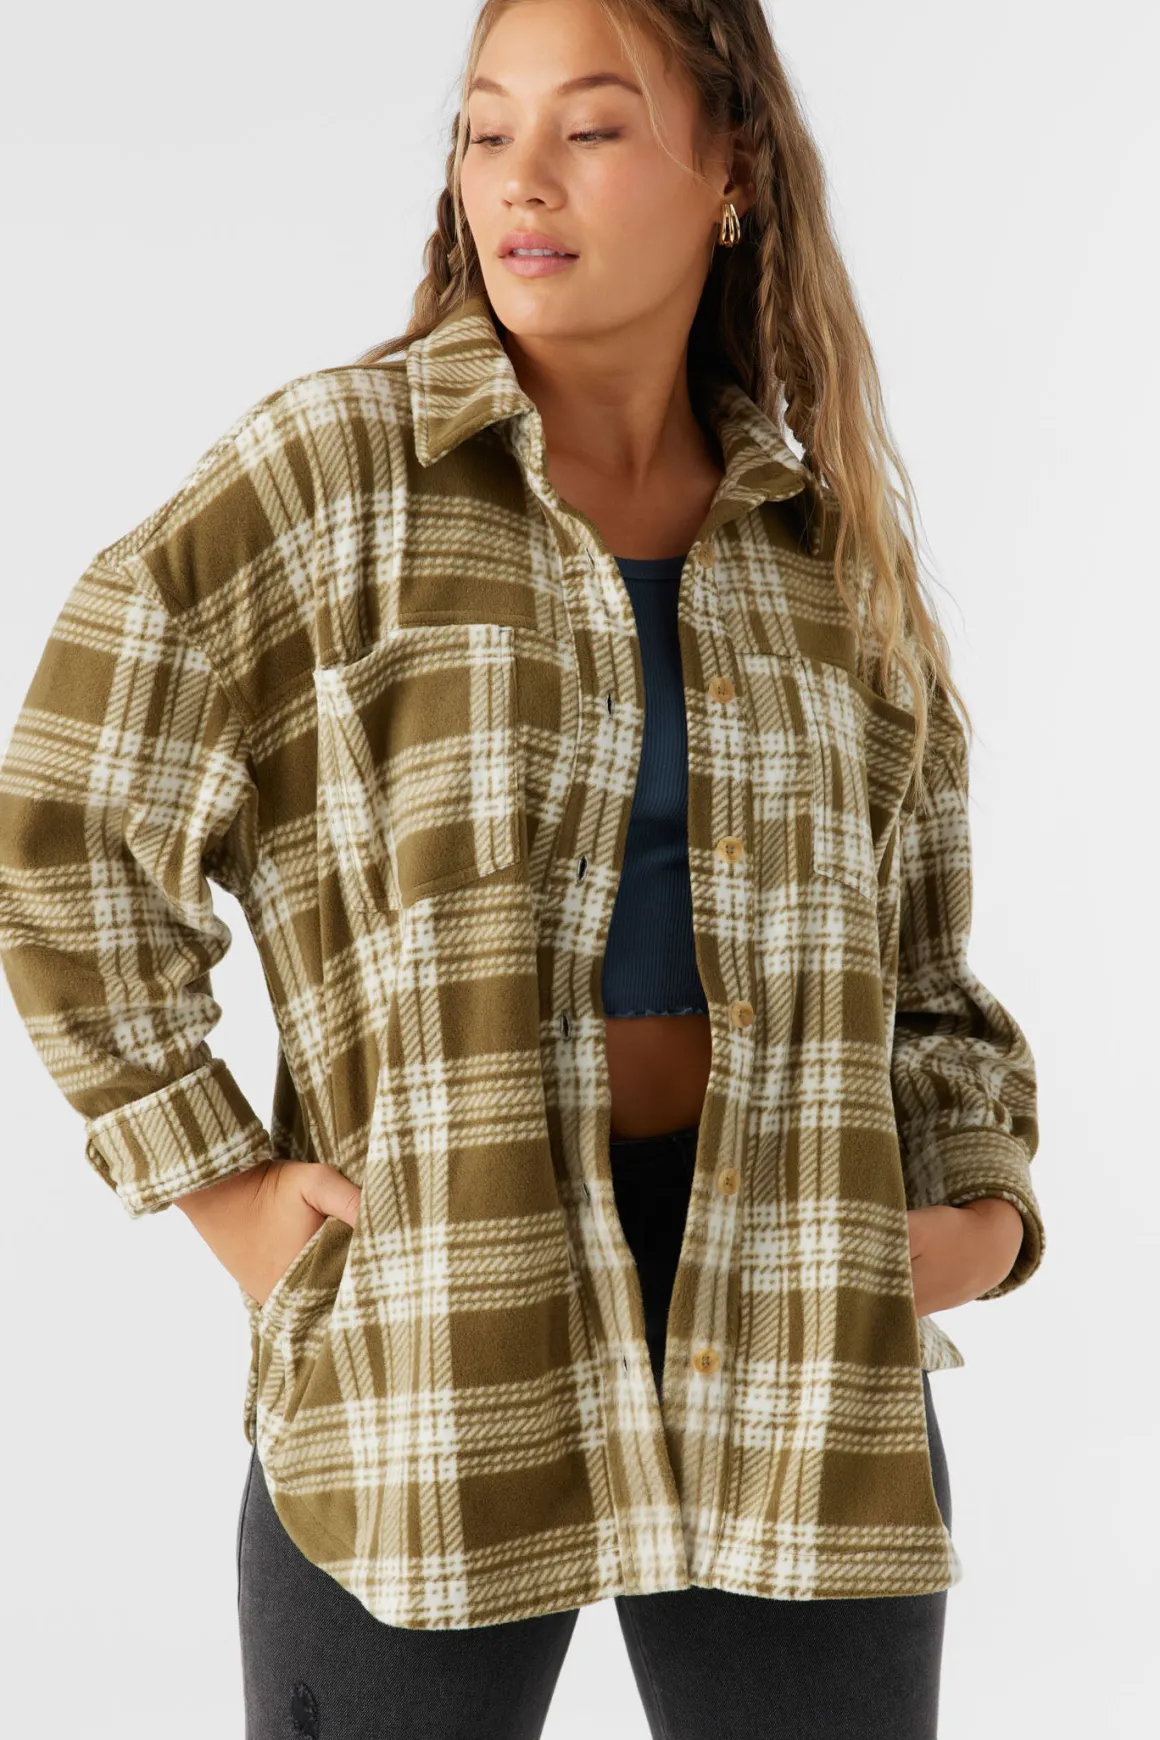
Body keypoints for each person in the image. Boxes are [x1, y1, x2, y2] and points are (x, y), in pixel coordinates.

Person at [0, 1, 1046, 1735]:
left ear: (732, 171)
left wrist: (982, 1224)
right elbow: (62, 822)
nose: (520, 179)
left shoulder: (829, 558)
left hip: (802, 1338)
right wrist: (224, 1189)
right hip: (437, 1327)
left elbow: (925, 977)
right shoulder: (337, 481)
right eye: (487, 130)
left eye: (593, 126)